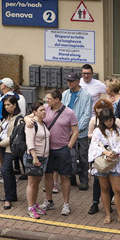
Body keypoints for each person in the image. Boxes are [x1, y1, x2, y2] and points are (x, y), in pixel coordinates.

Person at [88, 106, 120, 226]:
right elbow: (94, 146)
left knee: (118, 190)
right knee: (104, 189)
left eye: (110, 120)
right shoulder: (97, 131)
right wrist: (106, 153)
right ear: (102, 120)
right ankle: (108, 213)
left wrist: (113, 154)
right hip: (102, 163)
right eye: (106, 120)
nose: (109, 122)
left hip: (115, 162)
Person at [41, 89, 79, 217]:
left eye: (49, 98)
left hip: (63, 148)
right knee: (48, 175)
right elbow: (33, 115)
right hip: (47, 148)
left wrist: (69, 146)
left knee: (64, 176)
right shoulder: (45, 109)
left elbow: (75, 131)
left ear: (57, 100)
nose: (47, 101)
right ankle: (49, 200)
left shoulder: (69, 113)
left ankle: (66, 204)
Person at [62, 71, 93, 192]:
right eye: (68, 81)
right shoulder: (65, 94)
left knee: (83, 157)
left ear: (78, 81)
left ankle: (84, 180)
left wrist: (76, 130)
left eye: (72, 81)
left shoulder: (86, 95)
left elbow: (86, 115)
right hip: (66, 132)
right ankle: (71, 178)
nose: (69, 83)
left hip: (81, 133)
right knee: (69, 156)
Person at [0, 97, 24, 210]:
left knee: (5, 170)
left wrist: (0, 143)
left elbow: (14, 137)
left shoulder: (19, 119)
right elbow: (1, 130)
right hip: (2, 146)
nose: (7, 107)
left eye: (9, 105)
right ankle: (12, 195)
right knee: (9, 171)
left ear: (15, 105)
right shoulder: (7, 117)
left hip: (10, 148)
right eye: (5, 105)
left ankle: (8, 198)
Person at [25, 102, 49, 219]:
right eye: (41, 110)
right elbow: (30, 142)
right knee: (32, 182)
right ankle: (30, 208)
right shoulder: (31, 124)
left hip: (43, 157)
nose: (44, 112)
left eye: (44, 110)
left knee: (37, 182)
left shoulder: (43, 124)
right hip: (34, 157)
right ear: (34, 112)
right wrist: (34, 157)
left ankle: (34, 205)